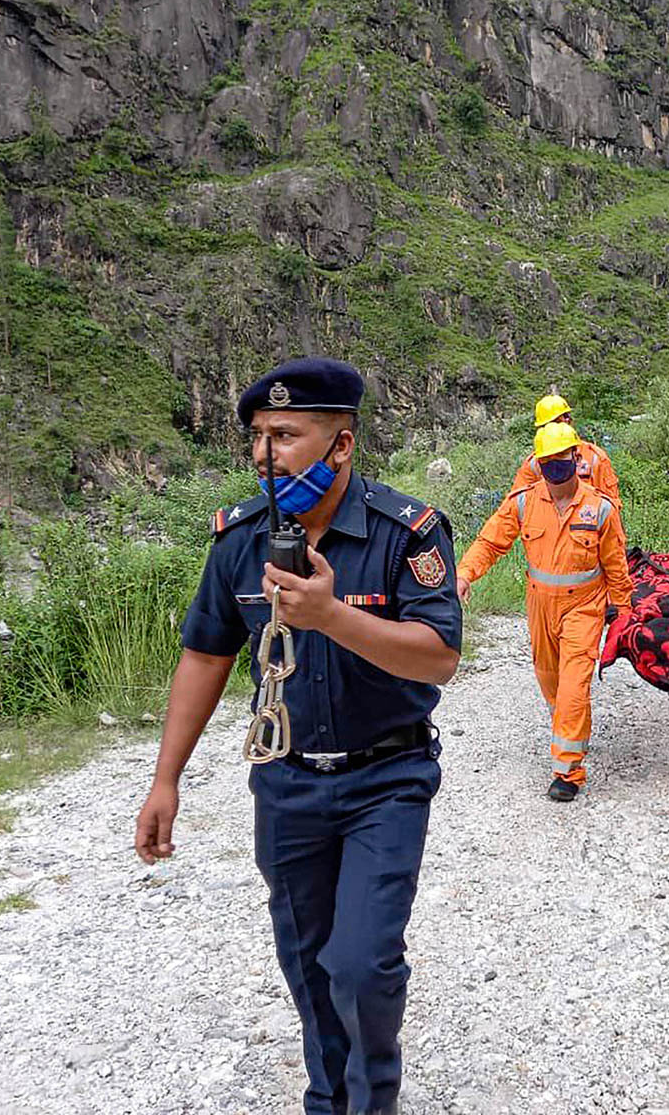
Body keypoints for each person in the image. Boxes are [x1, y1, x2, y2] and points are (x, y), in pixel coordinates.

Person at [134, 357, 461, 1115]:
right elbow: (205, 654)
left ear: (341, 444)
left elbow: (439, 656)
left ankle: (372, 1101)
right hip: (286, 783)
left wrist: (331, 616)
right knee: (308, 964)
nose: (265, 454)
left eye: (285, 435)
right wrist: (165, 780)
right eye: (258, 436)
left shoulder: (405, 533)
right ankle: (328, 1099)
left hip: (386, 779)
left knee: (363, 965)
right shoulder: (240, 538)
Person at [458, 422, 632, 802]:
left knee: (573, 686)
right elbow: (490, 542)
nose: (555, 464)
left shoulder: (600, 509)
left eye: (562, 457)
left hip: (584, 606)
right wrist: (465, 573)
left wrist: (622, 609)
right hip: (539, 605)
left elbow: (616, 565)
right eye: (547, 459)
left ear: (575, 456)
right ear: (538, 463)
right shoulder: (523, 503)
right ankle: (572, 727)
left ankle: (568, 771)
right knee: (550, 680)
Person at [510, 393, 622, 506]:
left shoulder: (595, 458)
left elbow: (611, 505)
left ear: (568, 420)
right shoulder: (534, 463)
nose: (553, 429)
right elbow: (515, 504)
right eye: (547, 425)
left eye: (556, 422)